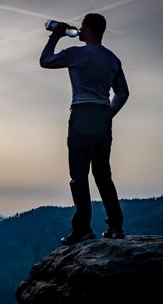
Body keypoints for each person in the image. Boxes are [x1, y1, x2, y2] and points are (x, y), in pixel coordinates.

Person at [39, 13, 130, 245]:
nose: (79, 30)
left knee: (78, 175)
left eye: (82, 27)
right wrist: (108, 113)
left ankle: (82, 229)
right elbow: (123, 92)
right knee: (103, 174)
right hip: (101, 116)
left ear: (88, 29)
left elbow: (46, 60)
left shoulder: (77, 54)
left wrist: (56, 35)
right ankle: (116, 226)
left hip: (82, 113)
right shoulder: (112, 59)